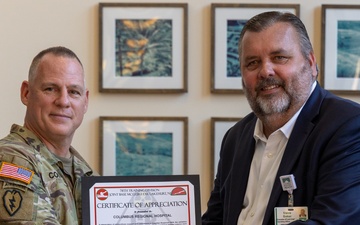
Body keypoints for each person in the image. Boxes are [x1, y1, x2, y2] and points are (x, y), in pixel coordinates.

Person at [202, 11, 360, 225]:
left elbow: (331, 221)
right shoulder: (235, 137)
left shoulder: (348, 125)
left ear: (311, 63)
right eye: (252, 63)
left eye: (279, 58)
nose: (265, 71)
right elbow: (215, 219)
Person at [0, 46, 97, 224]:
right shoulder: (12, 160)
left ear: (85, 101)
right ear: (26, 93)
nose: (63, 101)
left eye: (74, 92)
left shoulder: (87, 174)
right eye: (50, 89)